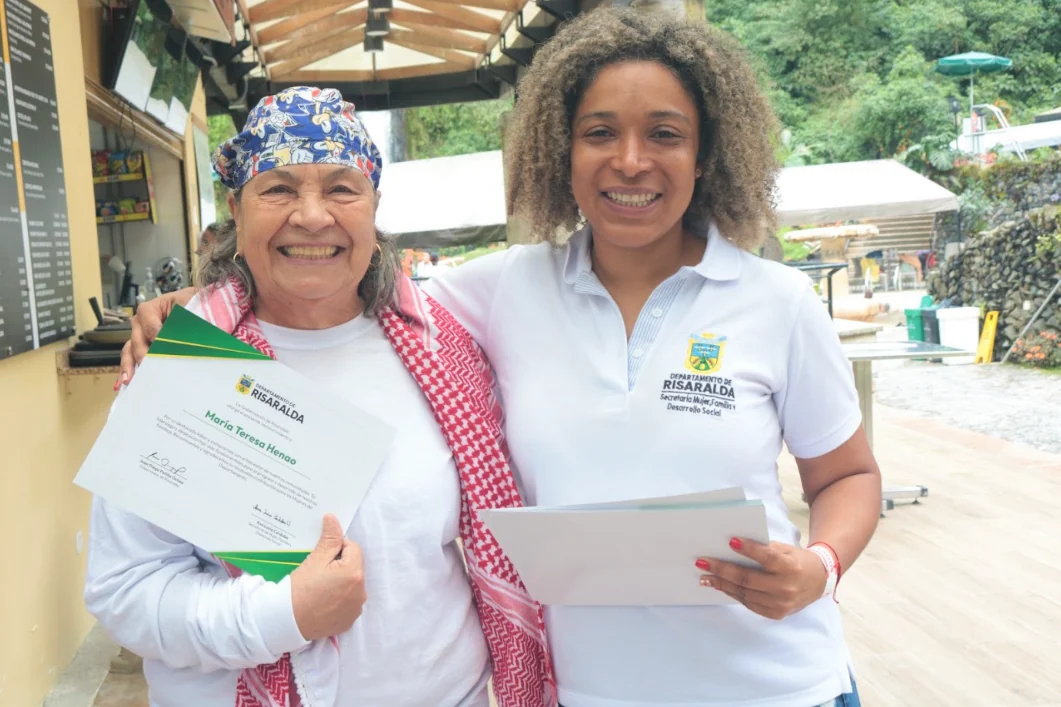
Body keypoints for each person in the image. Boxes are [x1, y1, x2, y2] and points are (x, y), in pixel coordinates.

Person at [119, 10, 882, 707]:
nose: (629, 161)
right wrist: (197, 307)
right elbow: (323, 278)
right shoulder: (491, 292)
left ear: (706, 150)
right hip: (588, 692)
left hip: (779, 687)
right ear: (560, 148)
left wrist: (820, 564)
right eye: (598, 133)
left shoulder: (776, 302)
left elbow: (846, 474)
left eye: (664, 134)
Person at [87, 86, 554, 707]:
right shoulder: (184, 364)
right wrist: (281, 614)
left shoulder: (448, 350)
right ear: (237, 207)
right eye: (278, 188)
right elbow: (125, 588)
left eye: (341, 188)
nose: (312, 216)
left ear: (374, 206)